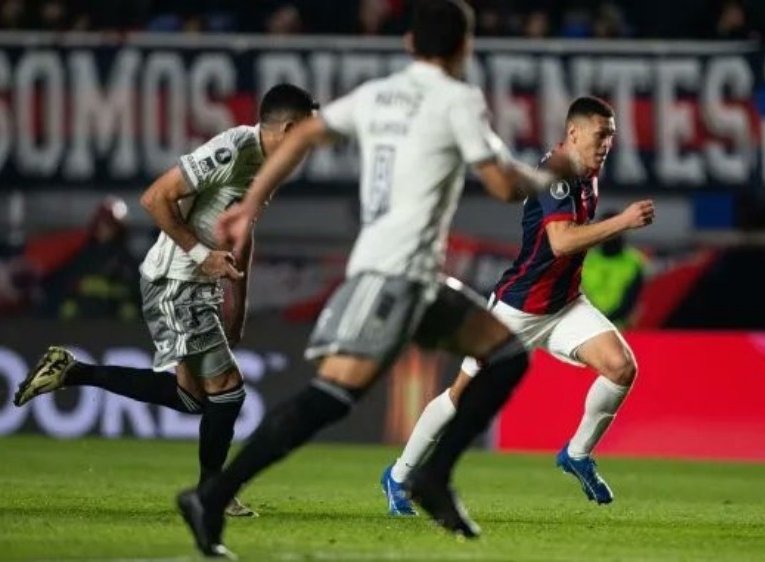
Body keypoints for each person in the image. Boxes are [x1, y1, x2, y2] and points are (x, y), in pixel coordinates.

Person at [175, 0, 579, 557]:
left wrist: (250, 203)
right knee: (332, 396)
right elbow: (505, 187)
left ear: (410, 44)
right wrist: (549, 174)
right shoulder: (457, 99)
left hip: (413, 275)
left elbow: (301, 136)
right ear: (466, 47)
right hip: (395, 275)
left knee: (505, 354)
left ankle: (432, 475)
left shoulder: (376, 94)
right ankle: (213, 496)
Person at [13, 83, 320, 518]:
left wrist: (240, 298)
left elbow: (242, 231)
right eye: (306, 134)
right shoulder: (234, 148)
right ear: (287, 128)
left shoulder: (269, 167)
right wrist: (201, 256)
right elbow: (155, 197)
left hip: (201, 283)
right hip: (177, 279)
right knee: (228, 388)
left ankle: (70, 370)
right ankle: (212, 493)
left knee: (193, 399)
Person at [381, 97, 655, 515]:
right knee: (460, 398)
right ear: (574, 134)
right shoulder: (556, 176)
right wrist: (624, 222)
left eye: (612, 137)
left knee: (621, 367)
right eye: (601, 136)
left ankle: (577, 454)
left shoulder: (589, 175)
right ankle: (399, 475)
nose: (606, 145)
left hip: (564, 306)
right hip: (516, 310)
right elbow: (561, 242)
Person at [580, 210, 648, 330]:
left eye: (615, 230)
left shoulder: (634, 261)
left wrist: (606, 320)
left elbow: (632, 300)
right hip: (588, 328)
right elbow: (579, 296)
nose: (611, 236)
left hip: (623, 330)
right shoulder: (585, 261)